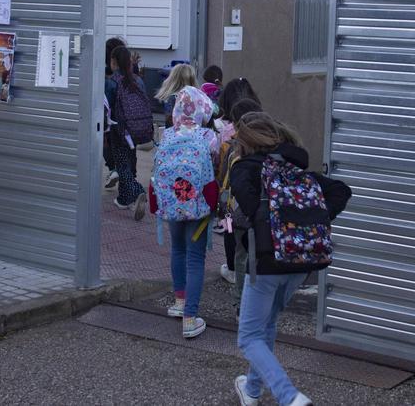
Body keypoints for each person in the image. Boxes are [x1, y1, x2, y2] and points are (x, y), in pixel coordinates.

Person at [230, 112, 351, 406]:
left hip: (266, 264)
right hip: (300, 265)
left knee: (248, 337)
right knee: (266, 324)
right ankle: (253, 390)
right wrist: (309, 222)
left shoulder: (245, 168)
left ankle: (289, 397)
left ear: (246, 141)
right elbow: (341, 191)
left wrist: (269, 224)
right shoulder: (294, 171)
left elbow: (247, 208)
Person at [150, 86, 219, 339]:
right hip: (198, 206)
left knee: (177, 250)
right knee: (195, 258)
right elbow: (215, 167)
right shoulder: (208, 136)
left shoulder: (167, 135)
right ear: (203, 110)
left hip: (171, 204)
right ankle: (190, 318)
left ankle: (179, 303)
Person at [212, 77, 263, 284]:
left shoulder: (225, 130)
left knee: (229, 230)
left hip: (230, 198)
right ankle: (252, 265)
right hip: (254, 194)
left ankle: (232, 268)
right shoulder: (262, 124)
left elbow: (220, 164)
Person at [105, 45, 148, 219]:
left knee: (122, 165)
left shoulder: (112, 82)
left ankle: (137, 192)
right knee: (130, 161)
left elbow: (107, 107)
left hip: (118, 129)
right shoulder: (137, 80)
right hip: (137, 128)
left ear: (113, 62)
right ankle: (124, 198)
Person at [102, 38, 141, 191]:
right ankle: (130, 180)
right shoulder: (133, 76)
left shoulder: (107, 78)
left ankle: (132, 189)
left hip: (114, 123)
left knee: (112, 149)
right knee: (130, 151)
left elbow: (106, 103)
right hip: (132, 122)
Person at [155, 63, 198, 128]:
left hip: (177, 135)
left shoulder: (173, 98)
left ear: (173, 79)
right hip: (195, 134)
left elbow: (169, 121)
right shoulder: (197, 97)